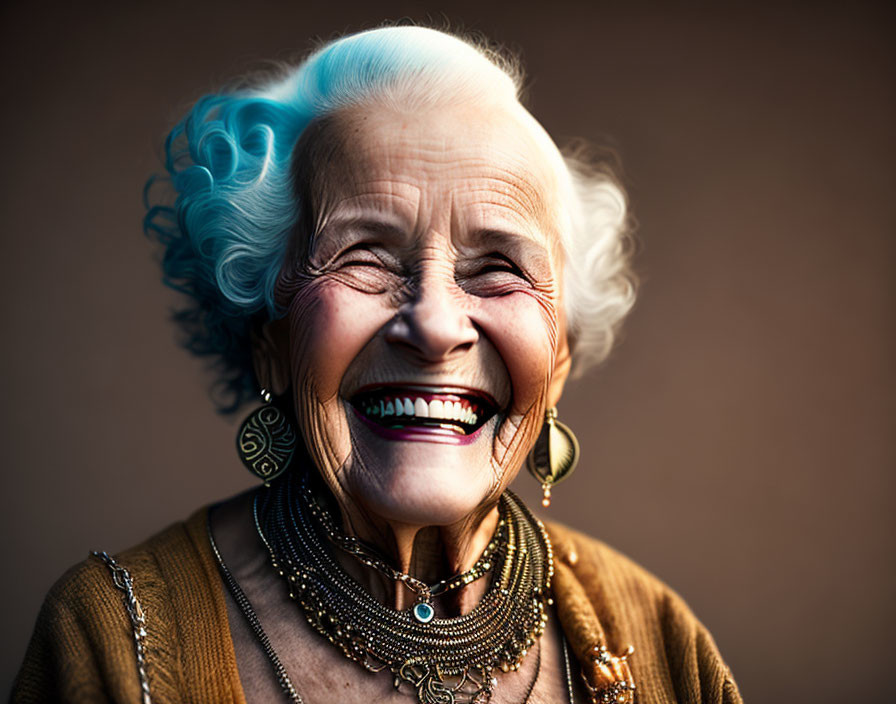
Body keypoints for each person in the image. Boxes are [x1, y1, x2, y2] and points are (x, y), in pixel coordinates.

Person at [11, 25, 741, 704]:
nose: (433, 325)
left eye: (496, 268)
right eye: (365, 257)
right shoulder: (109, 639)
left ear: (558, 358)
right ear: (270, 333)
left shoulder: (659, 641)